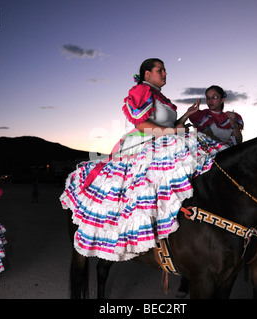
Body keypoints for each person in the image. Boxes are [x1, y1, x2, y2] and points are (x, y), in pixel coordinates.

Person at [60, 58, 226, 262]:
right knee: (148, 181)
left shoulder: (160, 96)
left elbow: (168, 123)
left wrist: (185, 116)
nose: (165, 73)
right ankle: (144, 232)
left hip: (166, 136)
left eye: (165, 70)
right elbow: (142, 125)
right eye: (160, 70)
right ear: (147, 74)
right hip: (144, 140)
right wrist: (174, 130)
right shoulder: (141, 90)